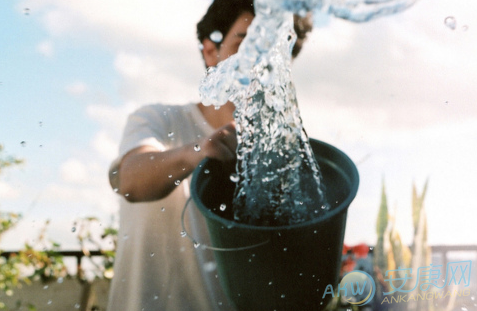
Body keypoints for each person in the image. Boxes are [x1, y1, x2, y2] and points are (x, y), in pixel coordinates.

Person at [107, 1, 313, 310]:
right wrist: (199, 150)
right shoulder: (158, 122)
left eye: (275, 47)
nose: (261, 58)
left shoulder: (283, 157)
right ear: (209, 52)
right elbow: (131, 180)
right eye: (245, 43)